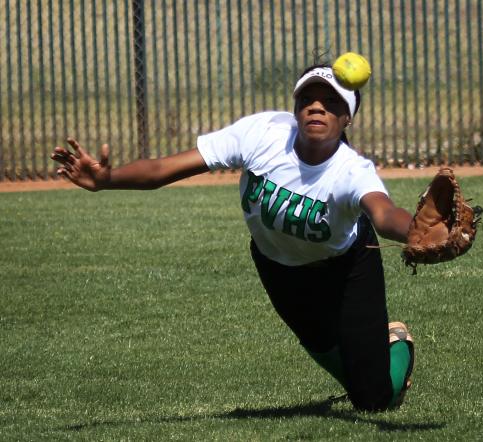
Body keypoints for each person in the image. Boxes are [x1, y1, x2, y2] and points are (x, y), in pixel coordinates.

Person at [51, 64, 415, 412]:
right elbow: (164, 169)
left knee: (373, 400)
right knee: (341, 365)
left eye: (332, 102)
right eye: (307, 99)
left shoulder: (351, 170)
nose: (316, 107)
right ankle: (366, 365)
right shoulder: (264, 133)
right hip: (280, 270)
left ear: (347, 116)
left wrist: (416, 231)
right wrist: (107, 181)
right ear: (295, 107)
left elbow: (383, 214)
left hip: (347, 268)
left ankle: (398, 344)